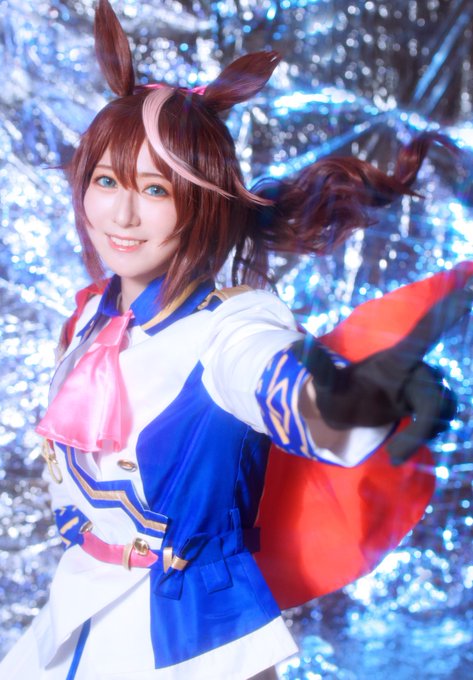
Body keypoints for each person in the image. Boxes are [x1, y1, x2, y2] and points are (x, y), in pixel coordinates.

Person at [1, 1, 471, 678]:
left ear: (200, 202)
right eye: (106, 180)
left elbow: (284, 391)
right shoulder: (90, 320)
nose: (121, 214)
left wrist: (354, 397)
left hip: (193, 638)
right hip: (75, 613)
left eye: (154, 190)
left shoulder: (232, 325)